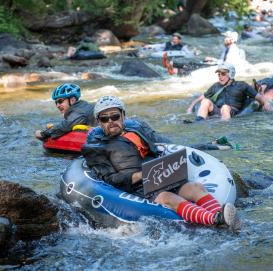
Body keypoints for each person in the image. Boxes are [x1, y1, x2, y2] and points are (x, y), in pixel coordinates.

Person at [82, 95, 240, 230]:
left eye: (115, 116)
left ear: (123, 115)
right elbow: (110, 180)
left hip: (163, 175)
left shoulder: (137, 129)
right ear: (98, 122)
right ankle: (216, 220)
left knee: (195, 187)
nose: (111, 121)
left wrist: (201, 147)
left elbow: (166, 145)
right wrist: (142, 175)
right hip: (138, 188)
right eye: (105, 118)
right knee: (169, 198)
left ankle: (223, 215)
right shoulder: (96, 147)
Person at [187, 62, 271, 121]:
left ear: (231, 74)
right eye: (219, 74)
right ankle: (199, 122)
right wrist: (191, 107)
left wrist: (266, 103)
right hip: (217, 111)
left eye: (223, 74)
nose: (220, 77)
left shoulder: (242, 85)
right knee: (205, 101)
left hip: (232, 112)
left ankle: (223, 128)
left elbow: (259, 97)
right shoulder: (216, 85)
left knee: (225, 107)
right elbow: (202, 97)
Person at [164, 31, 247, 75]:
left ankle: (174, 69)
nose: (224, 39)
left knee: (194, 66)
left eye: (226, 38)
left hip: (221, 67)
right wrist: (213, 60)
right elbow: (222, 60)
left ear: (232, 40)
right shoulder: (227, 49)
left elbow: (227, 64)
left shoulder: (233, 50)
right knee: (193, 63)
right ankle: (171, 65)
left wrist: (213, 60)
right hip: (218, 64)